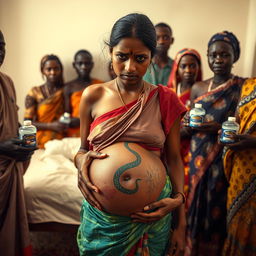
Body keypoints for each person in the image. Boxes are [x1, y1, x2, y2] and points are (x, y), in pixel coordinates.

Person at [74, 13, 187, 255]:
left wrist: (179, 212)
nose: (129, 68)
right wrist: (81, 161)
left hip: (153, 217)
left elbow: (175, 159)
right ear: (110, 52)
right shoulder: (92, 96)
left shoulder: (165, 99)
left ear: (152, 58)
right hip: (102, 221)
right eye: (121, 57)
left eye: (140, 59)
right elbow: (82, 150)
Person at [185, 31, 245, 256]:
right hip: (197, 153)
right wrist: (191, 125)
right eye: (213, 55)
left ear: (234, 57)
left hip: (223, 156)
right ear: (208, 58)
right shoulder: (199, 88)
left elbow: (243, 125)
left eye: (224, 55)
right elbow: (187, 123)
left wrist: (217, 128)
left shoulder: (242, 87)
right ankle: (192, 247)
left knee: (216, 202)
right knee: (196, 199)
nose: (218, 60)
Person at [0, 30, 35, 256]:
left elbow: (12, 121)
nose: (0, 52)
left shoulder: (7, 82)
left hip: (10, 168)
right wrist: (2, 147)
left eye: (2, 46)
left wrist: (26, 142)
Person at [222, 77, 256, 256]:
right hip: (240, 169)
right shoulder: (249, 85)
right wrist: (226, 131)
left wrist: (253, 142)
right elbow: (237, 119)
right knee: (236, 218)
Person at [167, 48, 202, 196]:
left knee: (187, 186)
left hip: (192, 147)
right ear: (177, 68)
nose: (188, 70)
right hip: (170, 147)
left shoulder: (203, 92)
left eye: (193, 65)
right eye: (183, 66)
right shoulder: (168, 92)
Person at [24, 54, 66, 148]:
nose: (53, 72)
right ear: (43, 71)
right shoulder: (34, 92)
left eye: (56, 68)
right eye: (49, 69)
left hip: (61, 141)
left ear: (61, 70)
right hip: (38, 141)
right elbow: (27, 123)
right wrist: (51, 126)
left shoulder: (66, 91)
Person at [64, 50, 103, 137]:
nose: (84, 67)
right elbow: (66, 114)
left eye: (87, 63)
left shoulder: (100, 85)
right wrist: (68, 121)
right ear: (74, 65)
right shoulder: (69, 87)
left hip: (95, 127)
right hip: (75, 129)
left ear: (92, 65)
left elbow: (104, 110)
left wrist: (85, 120)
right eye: (80, 63)